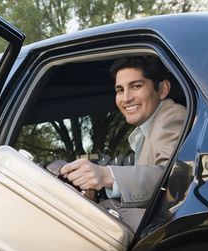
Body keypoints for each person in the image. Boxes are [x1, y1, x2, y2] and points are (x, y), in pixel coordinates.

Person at [59, 56, 186, 229]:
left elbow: (172, 178)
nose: (125, 98)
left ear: (162, 89)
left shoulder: (171, 116)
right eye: (119, 90)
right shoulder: (147, 128)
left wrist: (105, 175)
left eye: (136, 86)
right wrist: (97, 192)